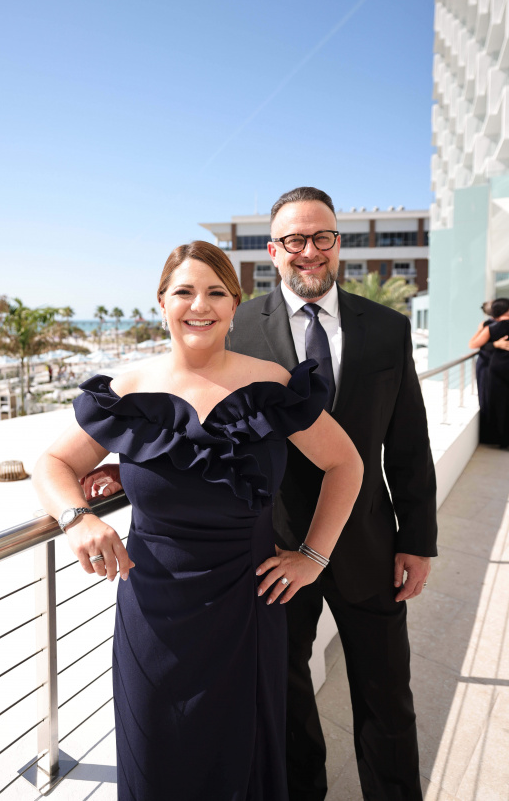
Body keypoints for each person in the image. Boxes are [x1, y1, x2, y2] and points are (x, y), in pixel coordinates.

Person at [33, 241, 363, 801]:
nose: (199, 305)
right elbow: (52, 463)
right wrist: (77, 518)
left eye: (215, 292)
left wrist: (313, 556)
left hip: (247, 607)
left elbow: (345, 463)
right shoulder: (130, 392)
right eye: (184, 291)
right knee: (156, 760)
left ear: (235, 304)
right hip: (153, 614)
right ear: (162, 302)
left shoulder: (273, 386)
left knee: (244, 761)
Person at [228, 187, 437, 801]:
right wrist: (125, 467)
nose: (310, 251)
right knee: (287, 700)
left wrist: (418, 541)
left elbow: (408, 445)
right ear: (273, 251)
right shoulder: (236, 327)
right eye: (295, 239)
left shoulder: (388, 330)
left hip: (370, 546)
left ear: (339, 243)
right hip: (273, 554)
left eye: (323, 237)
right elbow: (201, 418)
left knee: (387, 700)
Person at [469, 297, 509, 448]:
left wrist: (483, 333)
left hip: (495, 370)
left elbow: (472, 344)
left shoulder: (490, 327)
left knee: (495, 404)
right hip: (496, 369)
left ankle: (496, 438)